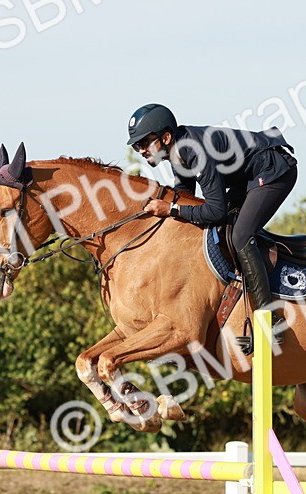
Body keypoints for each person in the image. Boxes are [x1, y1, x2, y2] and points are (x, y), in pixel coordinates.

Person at [127, 103, 297, 353]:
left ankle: (270, 322)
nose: (140, 150)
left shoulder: (195, 152)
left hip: (273, 170)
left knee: (240, 236)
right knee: (223, 229)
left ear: (165, 137)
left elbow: (214, 211)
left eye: (144, 143)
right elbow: (186, 197)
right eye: (136, 146)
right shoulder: (177, 151)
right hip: (247, 177)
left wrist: (171, 210)